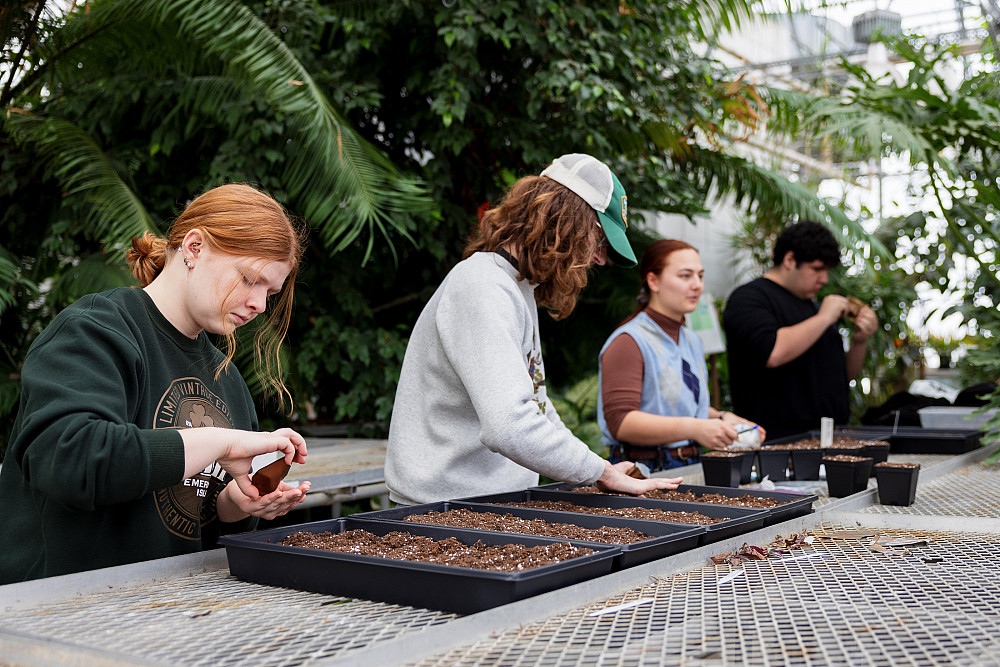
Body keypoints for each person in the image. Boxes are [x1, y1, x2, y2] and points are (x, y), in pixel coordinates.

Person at [0, 183, 312, 584]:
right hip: (59, 614)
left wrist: (237, 504)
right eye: (250, 279)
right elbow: (73, 460)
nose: (259, 304)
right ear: (195, 248)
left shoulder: (227, 379)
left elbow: (197, 522)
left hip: (167, 615)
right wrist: (221, 442)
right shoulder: (94, 330)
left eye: (271, 291)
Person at [385, 154, 683, 505]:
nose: (600, 259)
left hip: (482, 505)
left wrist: (601, 468)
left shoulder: (514, 287)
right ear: (566, 219)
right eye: (600, 240)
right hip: (443, 511)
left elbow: (536, 404)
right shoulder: (484, 286)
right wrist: (599, 472)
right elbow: (509, 425)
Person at [598, 240, 765, 471]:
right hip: (642, 469)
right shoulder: (628, 341)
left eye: (700, 276)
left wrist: (721, 418)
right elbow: (621, 422)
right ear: (653, 280)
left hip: (690, 464)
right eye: (685, 276)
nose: (697, 285)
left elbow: (673, 406)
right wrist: (695, 428)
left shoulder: (691, 340)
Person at [722, 220, 879, 439]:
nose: (824, 279)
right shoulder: (748, 299)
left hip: (827, 437)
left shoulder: (813, 307)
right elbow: (772, 352)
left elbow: (841, 375)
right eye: (817, 269)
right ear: (789, 260)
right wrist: (824, 317)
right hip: (777, 441)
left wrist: (860, 341)